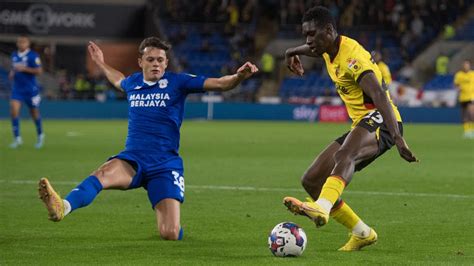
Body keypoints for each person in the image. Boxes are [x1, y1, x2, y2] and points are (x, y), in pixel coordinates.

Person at [38, 37, 258, 240]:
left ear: (166, 62)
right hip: (133, 160)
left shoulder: (178, 82)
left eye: (160, 60)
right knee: (102, 173)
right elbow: (118, 80)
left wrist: (239, 76)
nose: (156, 64)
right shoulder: (133, 83)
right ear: (140, 61)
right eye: (151, 59)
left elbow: (220, 83)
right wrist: (100, 62)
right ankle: (63, 207)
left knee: (169, 233)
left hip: (165, 165)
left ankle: (173, 226)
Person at [282, 6, 418, 251]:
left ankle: (321, 207)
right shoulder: (326, 48)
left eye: (313, 35)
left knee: (344, 155)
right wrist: (291, 52)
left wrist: (398, 138)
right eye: (306, 35)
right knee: (311, 180)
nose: (309, 41)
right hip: (362, 124)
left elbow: (379, 95)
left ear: (329, 31)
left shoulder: (352, 57)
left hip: (383, 120)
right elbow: (312, 49)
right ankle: (362, 233)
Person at [9, 36, 45, 149]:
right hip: (17, 89)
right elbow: (14, 68)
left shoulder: (33, 56)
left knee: (34, 113)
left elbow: (39, 71)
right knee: (14, 111)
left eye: (24, 42)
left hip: (31, 89)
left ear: (28, 44)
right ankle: (17, 139)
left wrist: (25, 69)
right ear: (17, 43)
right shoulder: (14, 55)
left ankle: (40, 135)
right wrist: (12, 72)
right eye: (19, 42)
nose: (21, 44)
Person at [453, 60, 474, 138]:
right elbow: (455, 84)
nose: (466, 66)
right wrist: (458, 88)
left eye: (467, 65)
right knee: (464, 115)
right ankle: (466, 131)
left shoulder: (472, 74)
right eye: (464, 65)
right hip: (462, 97)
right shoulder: (459, 75)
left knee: (471, 113)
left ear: (469, 66)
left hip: (471, 96)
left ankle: (472, 130)